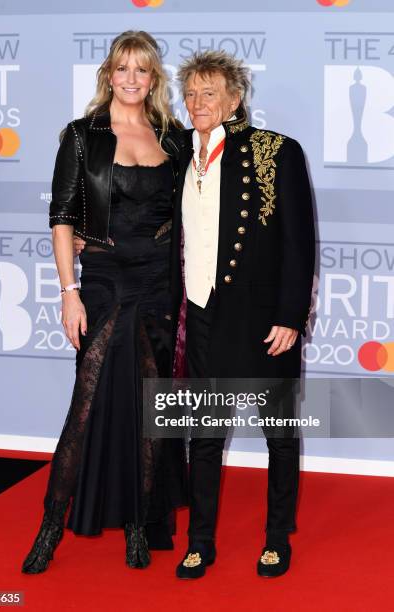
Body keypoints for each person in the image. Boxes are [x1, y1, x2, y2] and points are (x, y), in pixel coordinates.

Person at [21, 30, 187, 574]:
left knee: (147, 404)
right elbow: (63, 218)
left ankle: (138, 524)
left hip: (159, 282)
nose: (132, 79)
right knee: (87, 401)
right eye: (123, 69)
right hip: (106, 278)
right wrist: (69, 293)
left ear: (153, 77)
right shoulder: (81, 135)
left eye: (142, 70)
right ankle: (50, 525)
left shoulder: (174, 136)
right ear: (109, 75)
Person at [168, 51, 315, 579]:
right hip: (201, 314)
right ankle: (200, 540)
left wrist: (291, 315)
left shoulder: (276, 152)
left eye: (210, 93)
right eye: (190, 94)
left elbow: (299, 242)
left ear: (235, 100)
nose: (198, 103)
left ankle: (277, 537)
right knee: (203, 434)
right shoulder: (176, 155)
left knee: (278, 432)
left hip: (262, 319)